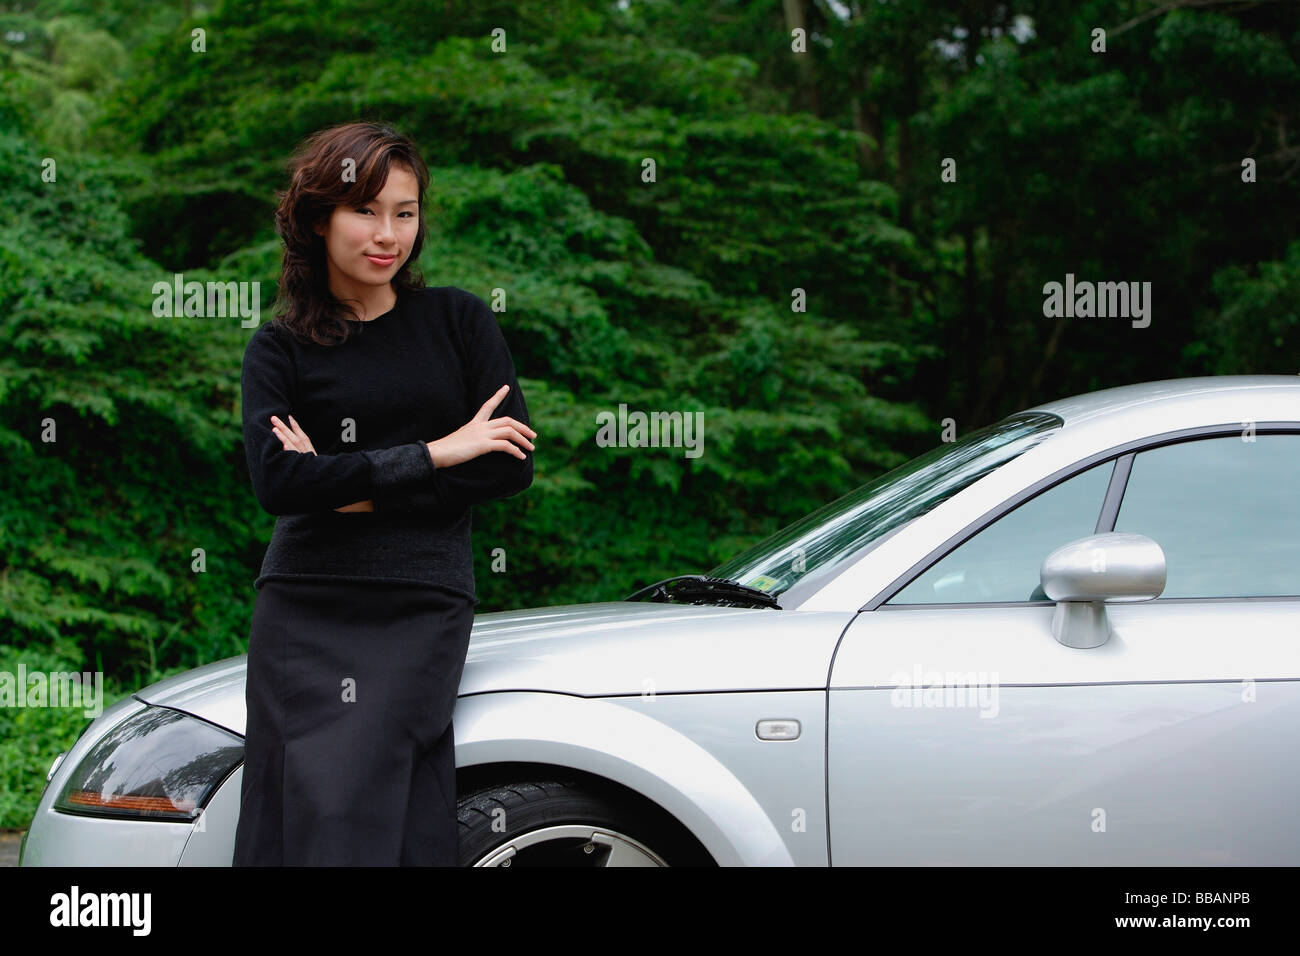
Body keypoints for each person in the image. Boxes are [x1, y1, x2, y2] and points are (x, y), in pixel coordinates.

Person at [232, 121, 536, 866]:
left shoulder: (459, 320)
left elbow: (506, 463)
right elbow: (280, 483)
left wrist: (348, 486)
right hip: (305, 603)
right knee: (295, 799)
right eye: (365, 210)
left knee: (356, 792)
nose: (387, 233)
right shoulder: (279, 348)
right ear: (318, 218)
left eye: (404, 212)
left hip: (418, 598)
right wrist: (435, 453)